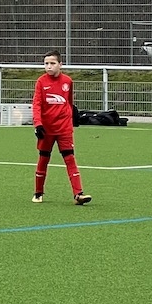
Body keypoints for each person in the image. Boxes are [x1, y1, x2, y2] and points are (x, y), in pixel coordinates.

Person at [32, 50, 91, 205]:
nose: (49, 66)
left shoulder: (67, 81)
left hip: (64, 128)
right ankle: (38, 192)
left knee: (70, 158)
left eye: (52, 63)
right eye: (46, 63)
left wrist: (73, 116)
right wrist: (38, 124)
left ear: (60, 64)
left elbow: (69, 102)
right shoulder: (41, 82)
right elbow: (36, 104)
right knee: (43, 159)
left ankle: (78, 194)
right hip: (46, 129)